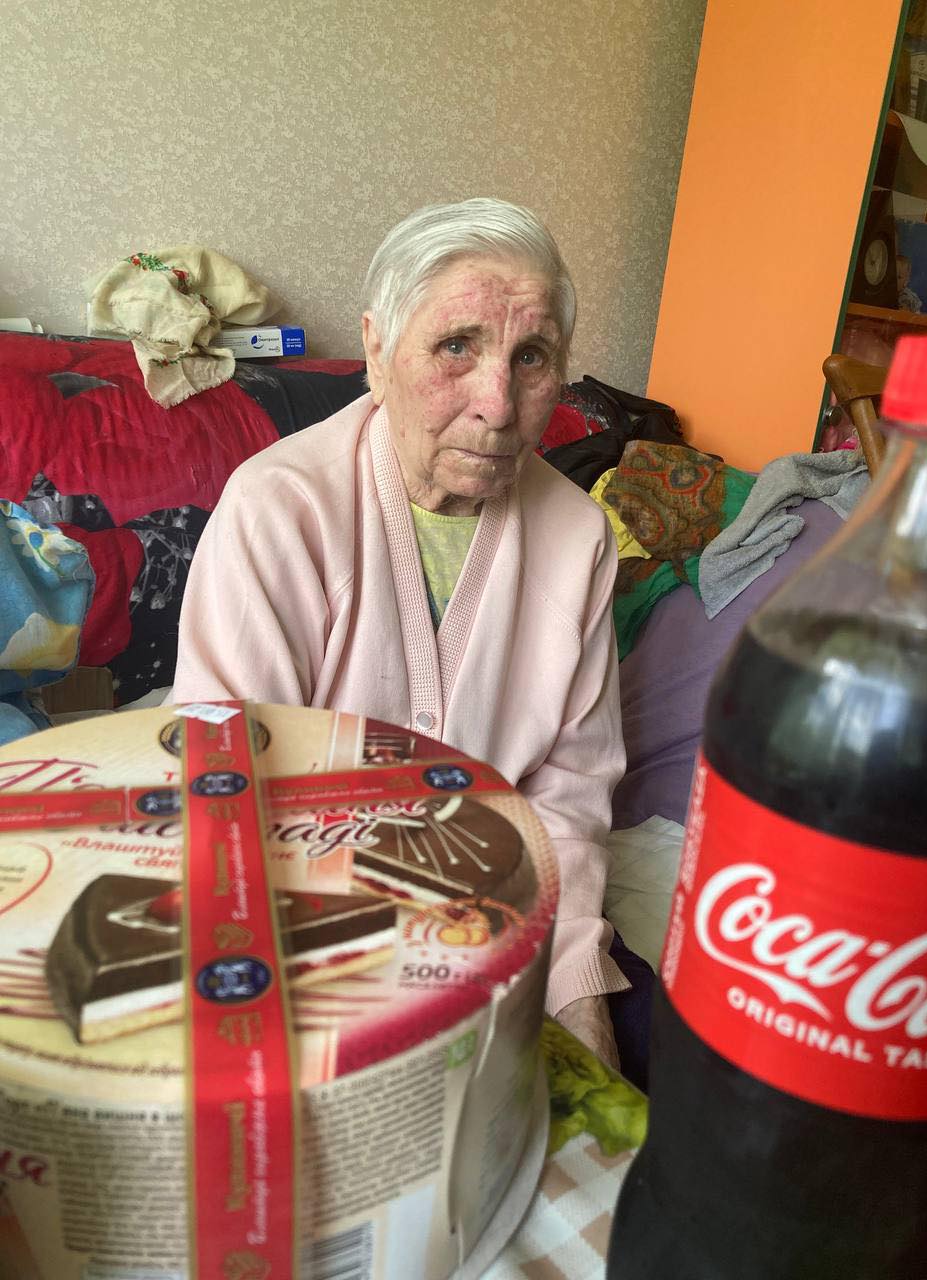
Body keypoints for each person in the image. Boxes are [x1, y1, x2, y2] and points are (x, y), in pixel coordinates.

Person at [171, 197, 629, 1064]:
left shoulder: (579, 537)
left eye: (531, 357)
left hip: (498, 920)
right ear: (377, 353)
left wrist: (577, 1008)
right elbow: (228, 795)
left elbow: (569, 805)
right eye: (456, 346)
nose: (497, 405)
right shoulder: (281, 508)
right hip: (304, 925)